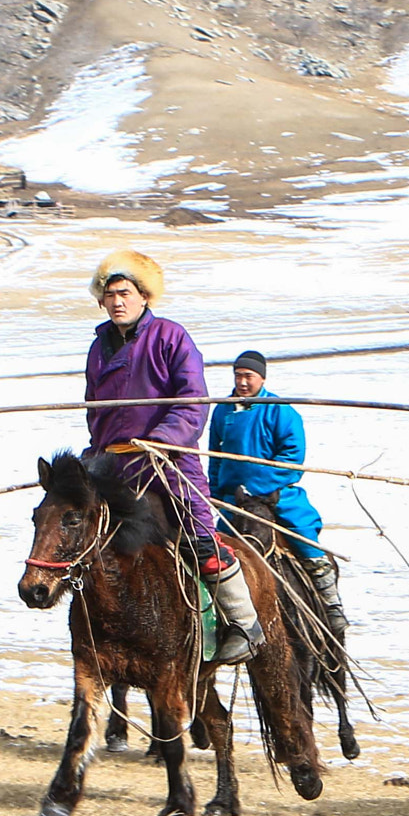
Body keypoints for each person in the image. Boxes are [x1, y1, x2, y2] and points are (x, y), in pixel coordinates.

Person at [82, 251, 263, 664]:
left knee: (200, 539)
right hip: (114, 466)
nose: (117, 302)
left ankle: (242, 623)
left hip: (169, 463)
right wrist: (94, 454)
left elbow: (192, 403)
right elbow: (95, 410)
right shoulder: (97, 349)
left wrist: (162, 440)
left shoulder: (171, 337)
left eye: (125, 293)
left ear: (144, 296)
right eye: (109, 295)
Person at [207, 350, 346, 636]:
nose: (243, 382)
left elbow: (293, 460)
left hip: (277, 493)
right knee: (212, 549)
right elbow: (215, 457)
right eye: (238, 376)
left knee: (305, 538)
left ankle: (331, 604)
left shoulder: (281, 410)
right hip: (233, 501)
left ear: (262, 377)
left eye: (249, 376)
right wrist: (216, 491)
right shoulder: (222, 411)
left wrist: (258, 487)